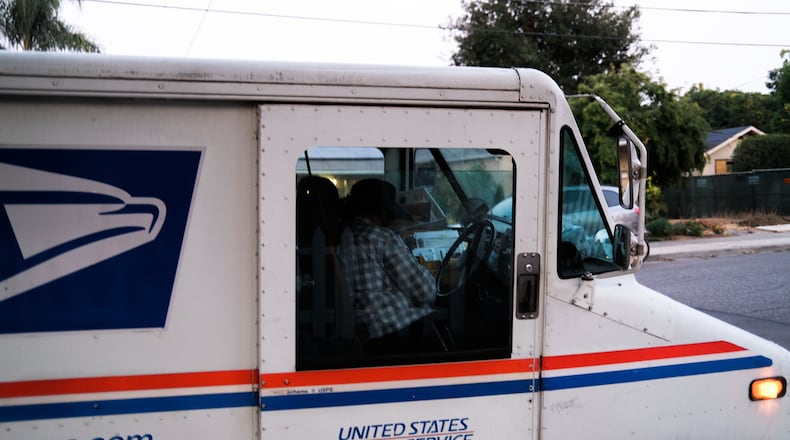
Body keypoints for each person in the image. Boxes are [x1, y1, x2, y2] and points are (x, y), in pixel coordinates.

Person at [338, 178, 438, 354]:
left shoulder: (344, 236)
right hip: (396, 329)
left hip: (368, 331)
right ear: (383, 213)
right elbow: (424, 291)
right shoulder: (383, 237)